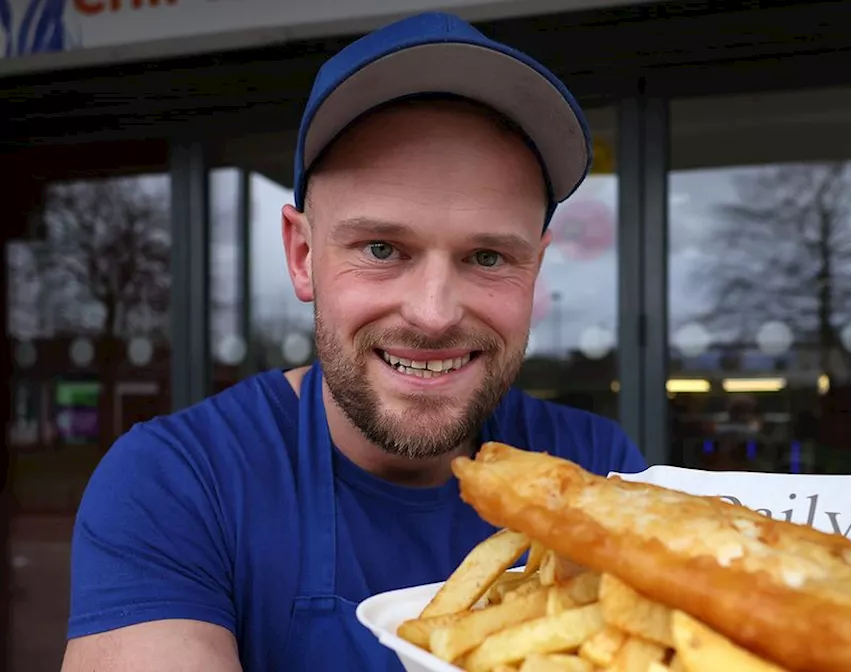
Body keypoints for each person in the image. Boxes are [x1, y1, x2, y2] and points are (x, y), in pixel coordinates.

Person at [60, 12, 647, 672]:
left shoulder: (596, 467)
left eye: (487, 258)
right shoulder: (178, 484)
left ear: (535, 267)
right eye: (380, 248)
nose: (433, 314)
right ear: (302, 253)